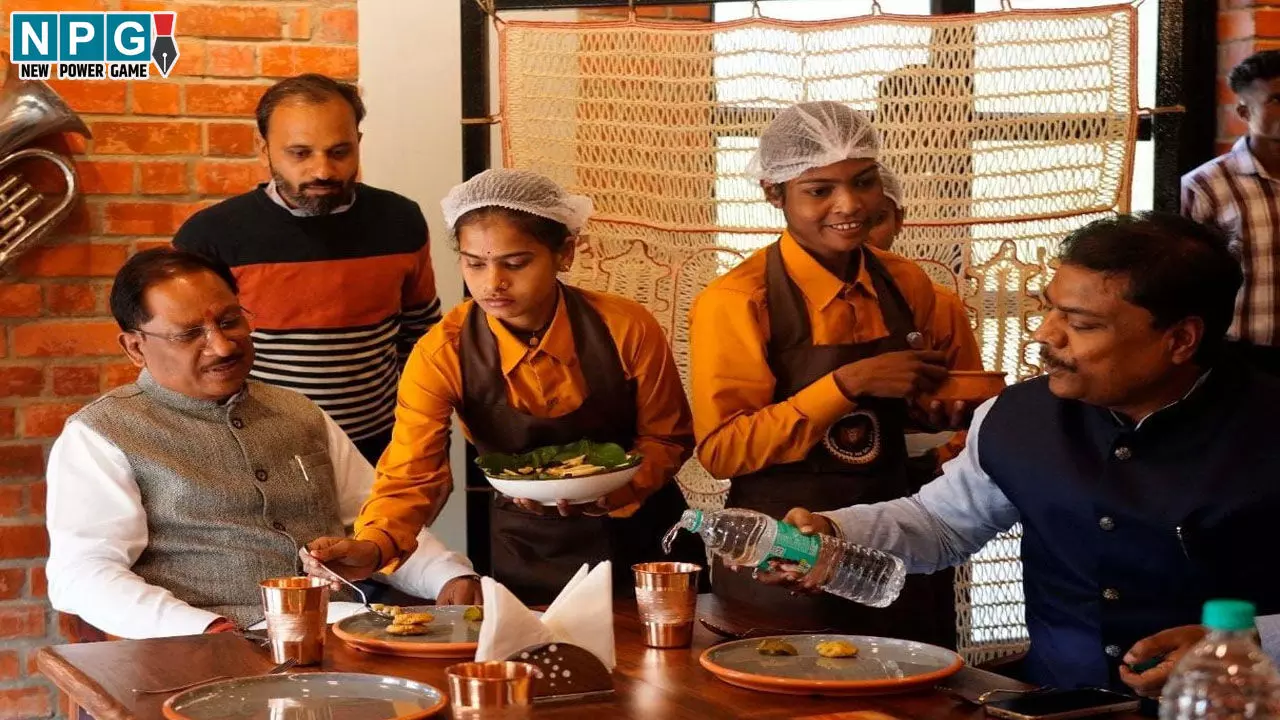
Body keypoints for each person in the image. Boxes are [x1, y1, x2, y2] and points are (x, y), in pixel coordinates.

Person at [772, 213, 1280, 696]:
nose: (1045, 335)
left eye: (1081, 324)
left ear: (1181, 339)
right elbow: (941, 523)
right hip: (1058, 702)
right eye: (1050, 308)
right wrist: (836, 533)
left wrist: (1248, 643)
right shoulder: (1017, 416)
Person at [304, 169, 698, 605]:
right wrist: (374, 545)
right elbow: (413, 473)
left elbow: (668, 436)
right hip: (530, 549)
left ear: (564, 254)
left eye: (515, 263)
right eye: (475, 264)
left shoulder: (626, 326)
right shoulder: (443, 352)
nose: (493, 283)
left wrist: (616, 490)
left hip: (648, 543)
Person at [45, 249, 480, 641]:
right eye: (189, 333)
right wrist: (205, 630)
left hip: (343, 630)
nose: (221, 344)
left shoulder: (299, 411)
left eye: (230, 320)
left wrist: (447, 576)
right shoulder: (101, 435)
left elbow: (375, 514)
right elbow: (83, 574)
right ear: (135, 347)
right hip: (203, 649)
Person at [687, 102, 981, 648]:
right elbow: (723, 450)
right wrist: (848, 384)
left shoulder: (907, 282)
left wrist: (937, 409)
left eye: (864, 182)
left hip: (897, 548)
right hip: (780, 552)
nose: (849, 205)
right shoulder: (737, 301)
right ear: (774, 194)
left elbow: (923, 411)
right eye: (818, 190)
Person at [174, 74, 441, 464]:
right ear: (264, 149)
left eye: (339, 152)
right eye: (300, 153)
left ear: (359, 144)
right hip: (258, 451)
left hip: (379, 447)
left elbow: (422, 337)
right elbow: (191, 356)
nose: (323, 171)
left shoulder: (401, 220)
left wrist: (422, 438)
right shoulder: (211, 235)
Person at [868, 163, 984, 476]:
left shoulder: (939, 306)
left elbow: (976, 411)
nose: (857, 232)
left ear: (899, 221)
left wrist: (933, 463)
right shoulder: (764, 301)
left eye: (875, 219)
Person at [1182, 50, 1280, 376]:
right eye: (1277, 99)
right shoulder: (1205, 186)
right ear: (1243, 110)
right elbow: (1187, 284)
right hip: (1238, 358)